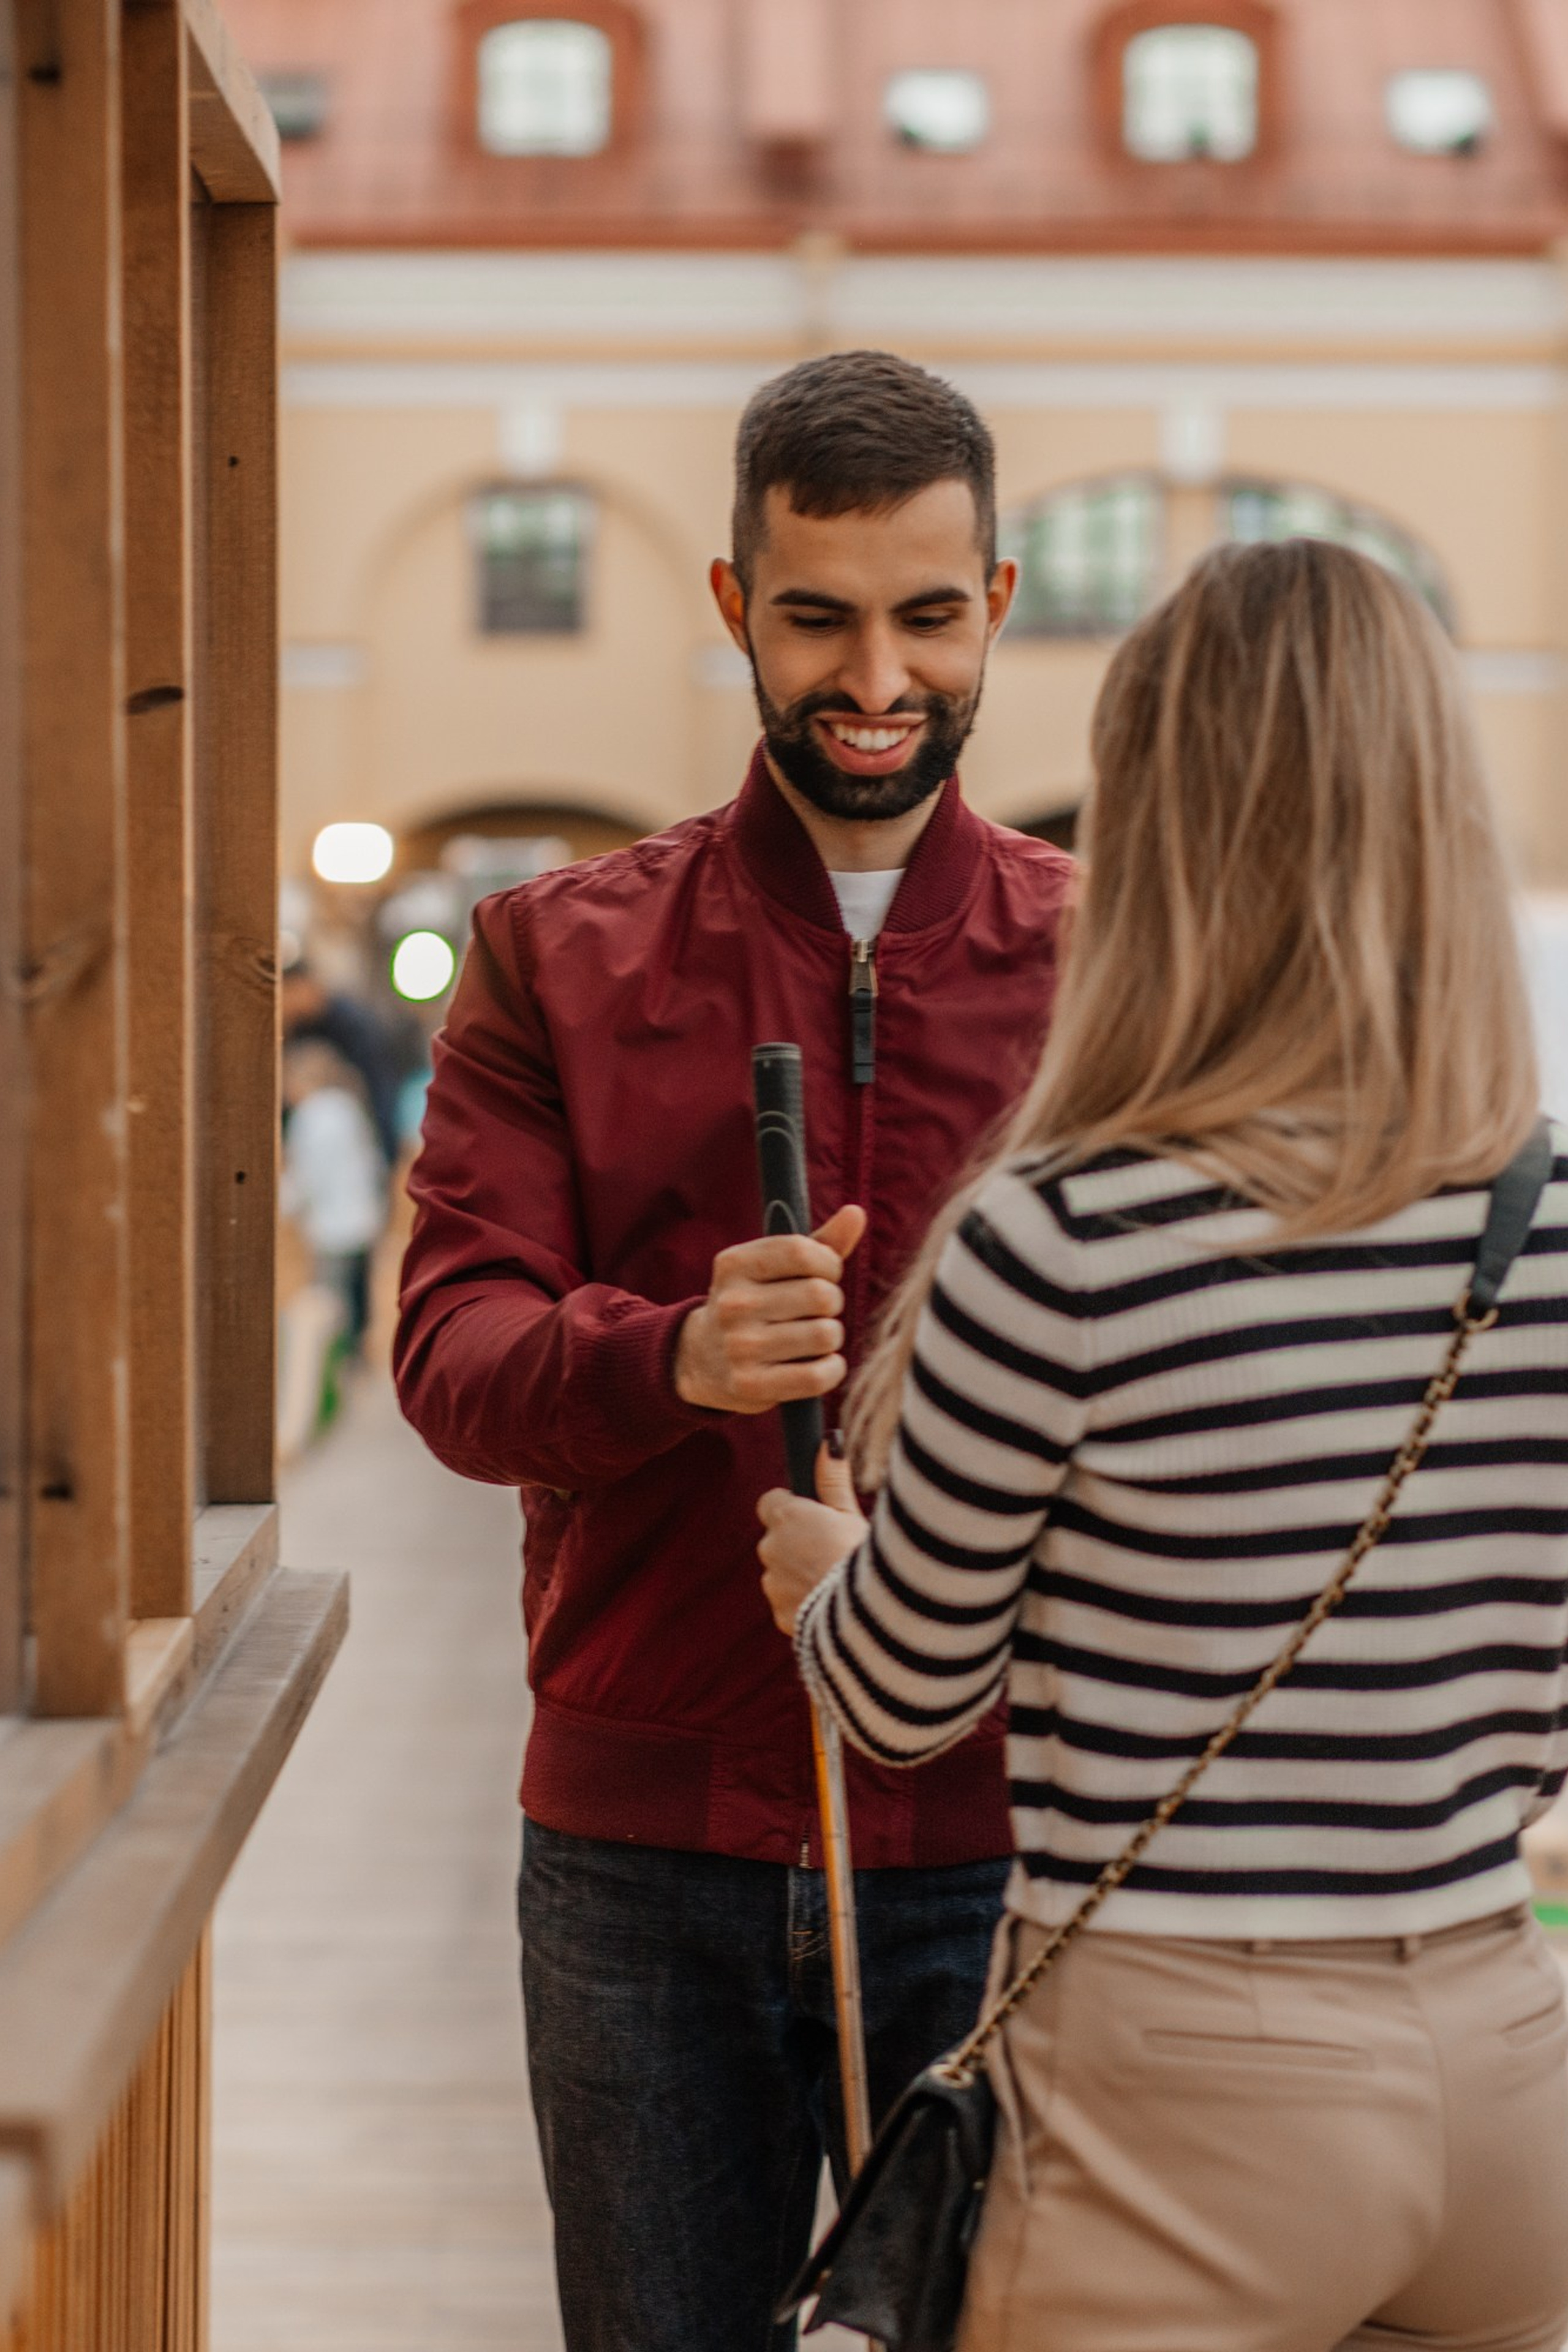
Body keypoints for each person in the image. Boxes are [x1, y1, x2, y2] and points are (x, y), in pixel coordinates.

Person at [760, 537, 1568, 2352]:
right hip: (1504, 2049)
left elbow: (899, 1694)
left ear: (1165, 830)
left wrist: (826, 1580)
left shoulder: (1063, 1238)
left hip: (1179, 2073)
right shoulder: (1554, 1228)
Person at [394, 350, 1073, 2351]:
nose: (879, 675)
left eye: (929, 617)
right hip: (639, 1864)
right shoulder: (555, 951)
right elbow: (450, 1356)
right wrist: (669, 1355)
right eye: (820, 616)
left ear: (999, 607)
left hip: (1012, 1850)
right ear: (730, 608)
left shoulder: (1122, 957)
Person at [281, 1039, 386, 1352]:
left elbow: (307, 1176)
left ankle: (334, 1373)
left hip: (332, 1227)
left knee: (331, 1304)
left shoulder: (311, 1116)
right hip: (363, 1217)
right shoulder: (347, 1106)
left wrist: (280, 1205)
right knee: (356, 1301)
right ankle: (354, 1362)